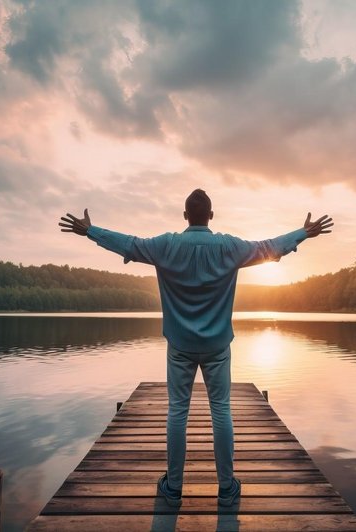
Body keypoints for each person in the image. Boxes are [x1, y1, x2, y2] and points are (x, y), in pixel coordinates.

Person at [59, 189, 333, 507]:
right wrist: (304, 233)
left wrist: (90, 231)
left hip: (179, 345)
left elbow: (129, 244)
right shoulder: (229, 246)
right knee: (221, 411)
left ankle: (173, 487)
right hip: (217, 345)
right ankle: (227, 488)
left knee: (177, 411)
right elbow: (269, 248)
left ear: (185, 216)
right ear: (211, 217)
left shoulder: (166, 244)